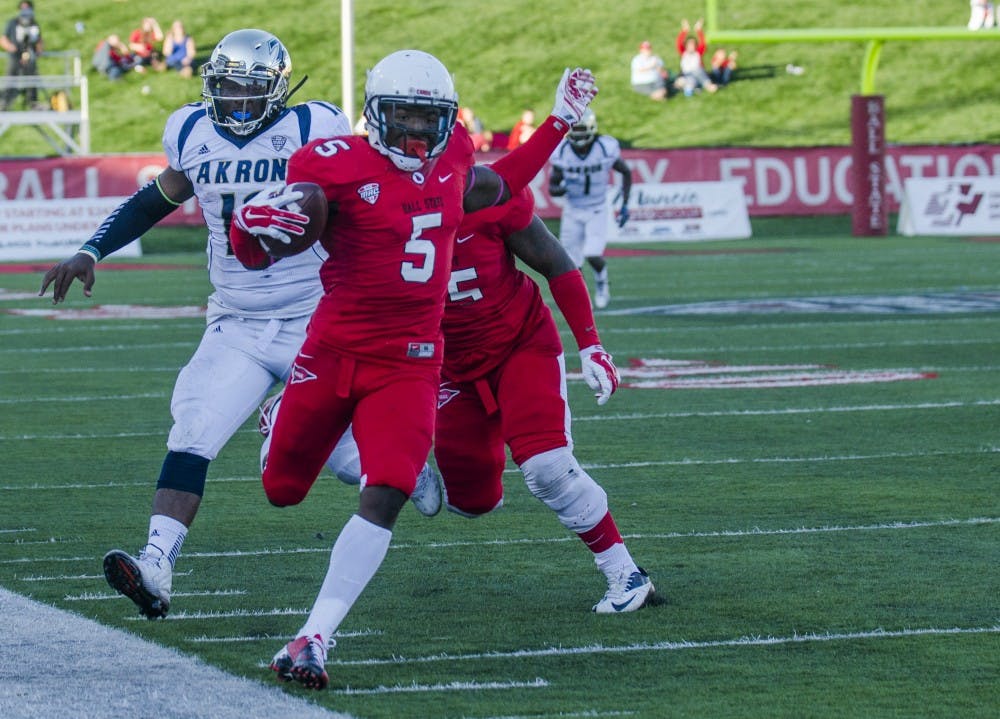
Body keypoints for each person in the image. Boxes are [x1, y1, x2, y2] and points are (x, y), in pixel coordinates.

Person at [35, 29, 445, 623]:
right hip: (237, 318)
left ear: (277, 90)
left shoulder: (315, 126)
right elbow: (156, 199)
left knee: (328, 452)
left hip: (315, 312)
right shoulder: (191, 130)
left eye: (249, 88)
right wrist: (91, 250)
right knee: (194, 426)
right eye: (226, 86)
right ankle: (156, 565)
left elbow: (368, 187)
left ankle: (401, 465)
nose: (235, 99)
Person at [228, 50, 597, 690]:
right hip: (334, 350)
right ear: (375, 114)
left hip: (413, 361)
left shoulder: (453, 158)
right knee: (283, 490)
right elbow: (258, 255)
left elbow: (504, 183)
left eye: (430, 120)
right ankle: (279, 414)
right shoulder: (330, 166)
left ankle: (314, 636)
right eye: (404, 117)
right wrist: (243, 225)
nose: (418, 134)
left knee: (393, 488)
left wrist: (560, 121)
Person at [259, 187, 657, 617]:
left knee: (547, 467)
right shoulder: (378, 218)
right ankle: (409, 470)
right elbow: (353, 313)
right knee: (472, 501)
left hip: (520, 345)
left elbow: (555, 262)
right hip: (447, 368)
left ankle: (625, 572)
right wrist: (306, 382)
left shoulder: (484, 193)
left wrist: (591, 345)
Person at [548, 108, 631, 310]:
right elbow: (553, 188)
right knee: (571, 263)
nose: (577, 133)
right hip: (573, 209)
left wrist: (625, 204)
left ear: (591, 127)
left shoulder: (604, 147)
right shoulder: (562, 151)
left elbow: (626, 172)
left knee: (593, 254)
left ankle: (602, 282)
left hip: (597, 208)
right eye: (574, 129)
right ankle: (582, 296)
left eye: (581, 128)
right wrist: (564, 187)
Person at [0, 0, 42, 110]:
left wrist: (38, 50)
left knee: (32, 78)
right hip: (15, 56)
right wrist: (11, 47)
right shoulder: (13, 22)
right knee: (11, 79)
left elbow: (39, 40)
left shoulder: (34, 24)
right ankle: (5, 103)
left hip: (29, 56)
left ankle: (33, 102)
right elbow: (3, 39)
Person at [674, 18, 717, 96]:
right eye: (689, 44)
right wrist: (685, 30)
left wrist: (698, 30)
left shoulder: (698, 53)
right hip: (687, 74)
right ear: (686, 46)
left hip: (699, 74)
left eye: (693, 44)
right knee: (684, 81)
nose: (691, 46)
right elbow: (678, 43)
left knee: (697, 70)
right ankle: (691, 88)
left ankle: (707, 85)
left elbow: (703, 43)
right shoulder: (684, 52)